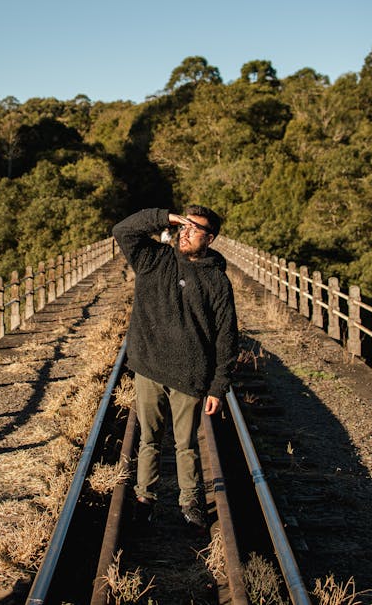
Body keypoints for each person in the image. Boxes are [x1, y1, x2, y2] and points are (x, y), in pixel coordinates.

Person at [113, 205, 238, 529]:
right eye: (184, 225)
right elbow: (122, 230)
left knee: (186, 444)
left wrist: (218, 387)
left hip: (190, 376)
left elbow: (226, 337)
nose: (185, 232)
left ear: (209, 238)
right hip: (149, 368)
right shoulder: (153, 259)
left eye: (194, 228)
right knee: (149, 440)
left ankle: (190, 502)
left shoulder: (217, 281)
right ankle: (144, 499)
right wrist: (163, 217)